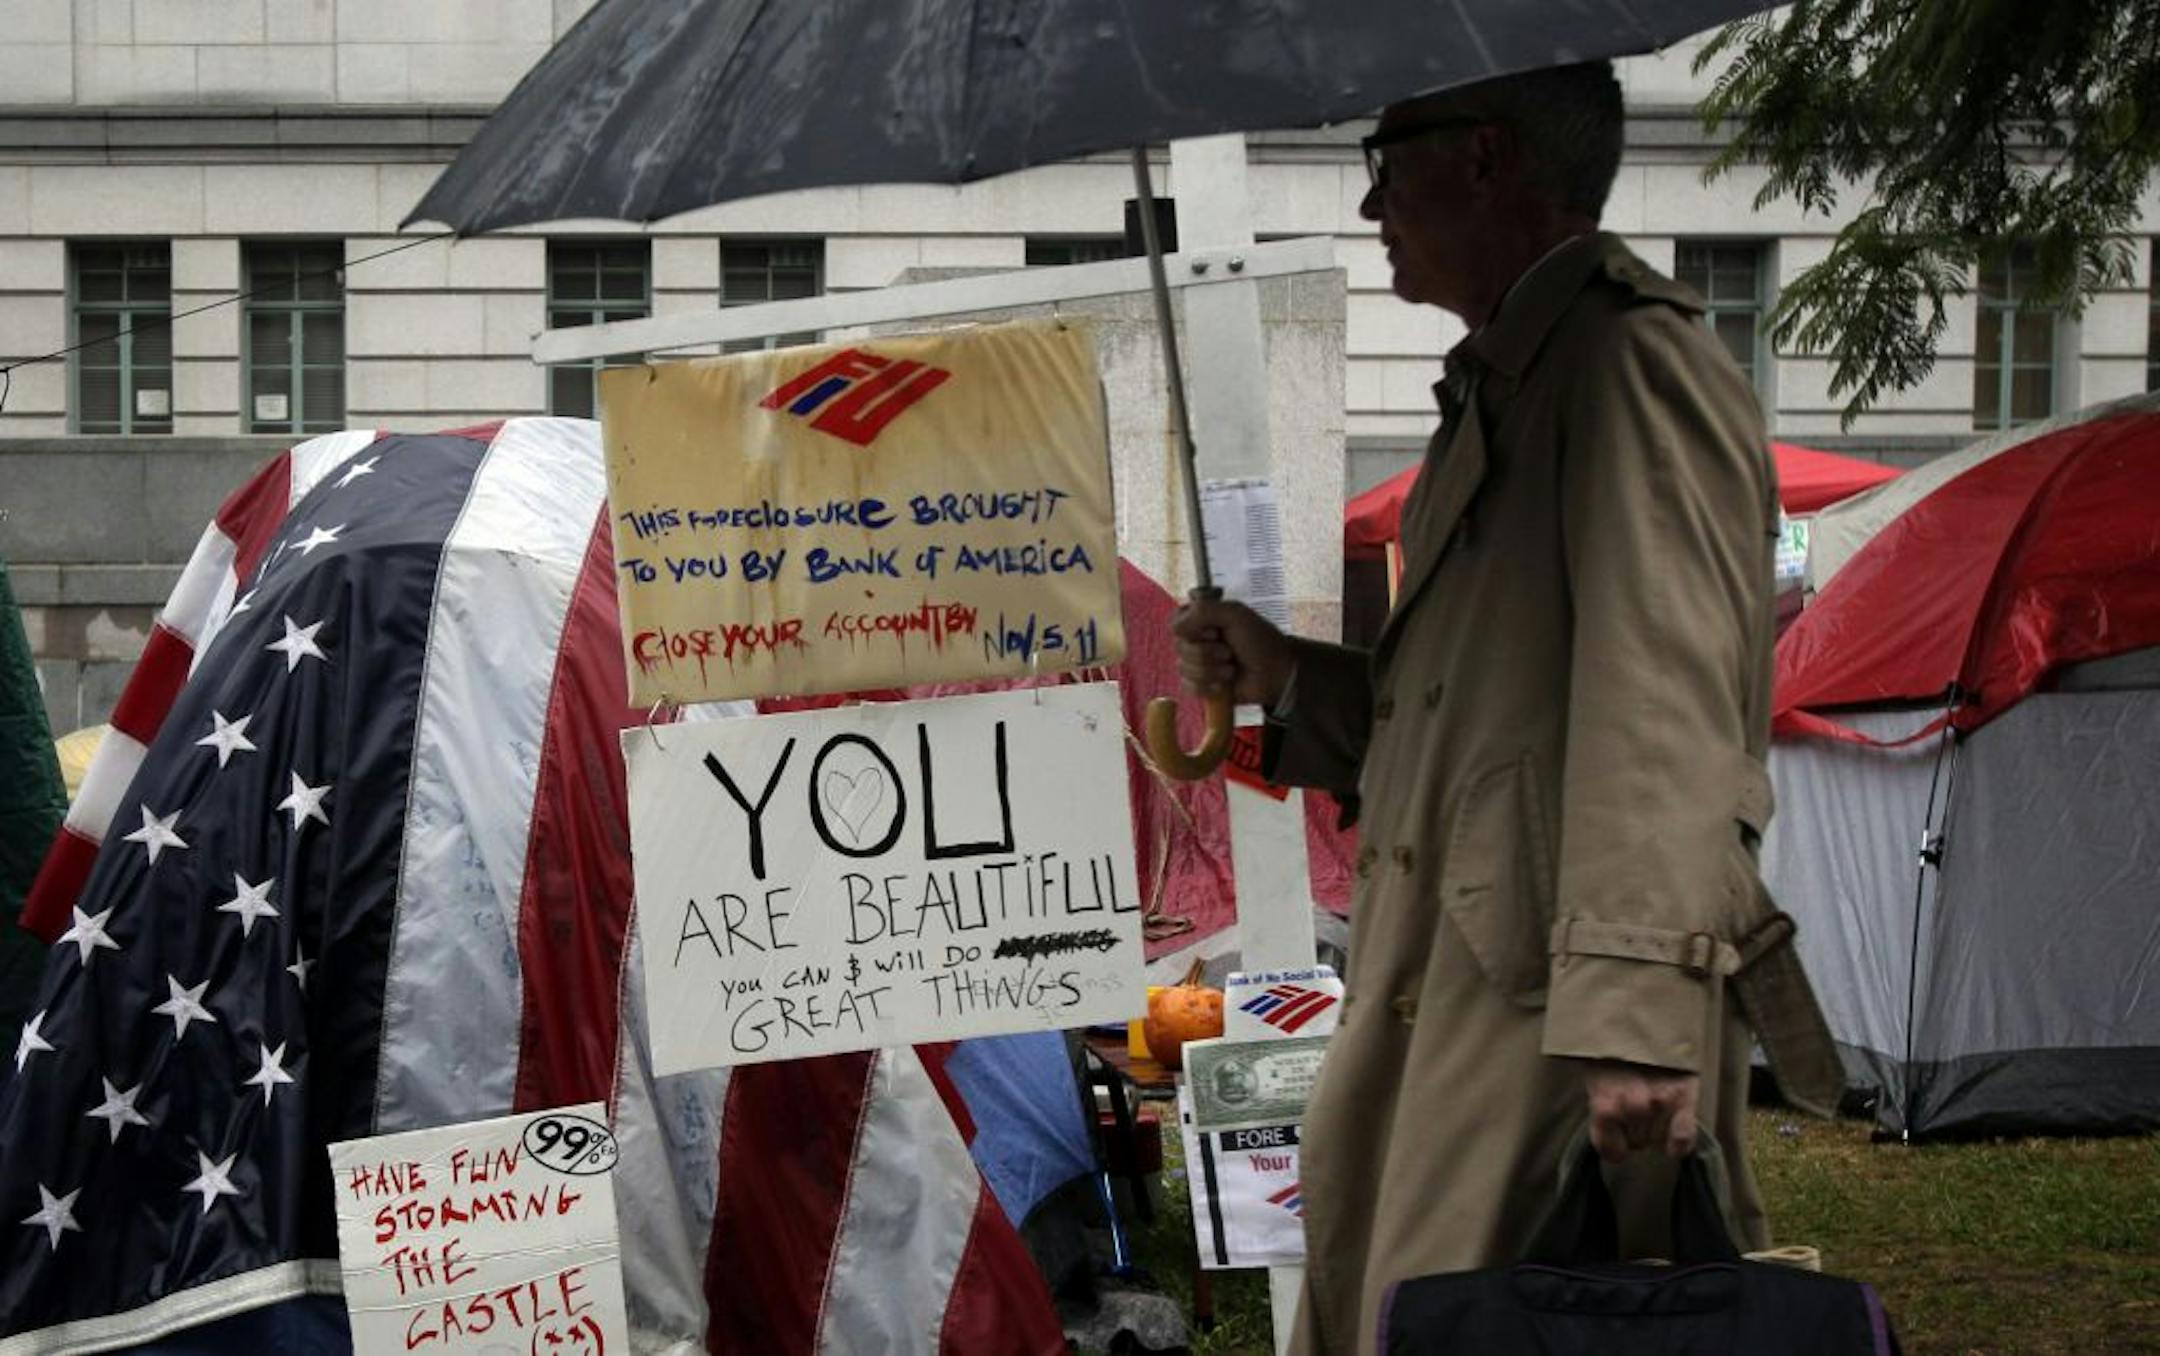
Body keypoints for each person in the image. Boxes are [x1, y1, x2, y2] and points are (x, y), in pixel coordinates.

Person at [1171, 62, 1844, 1355]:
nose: (1371, 202)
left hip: (1553, 1019)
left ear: (1486, 158)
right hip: (1477, 994)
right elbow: (1478, 731)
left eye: (1390, 157)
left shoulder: (1627, 364)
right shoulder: (1515, 382)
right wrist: (1290, 678)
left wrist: (1638, 1019)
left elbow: (1667, 712)